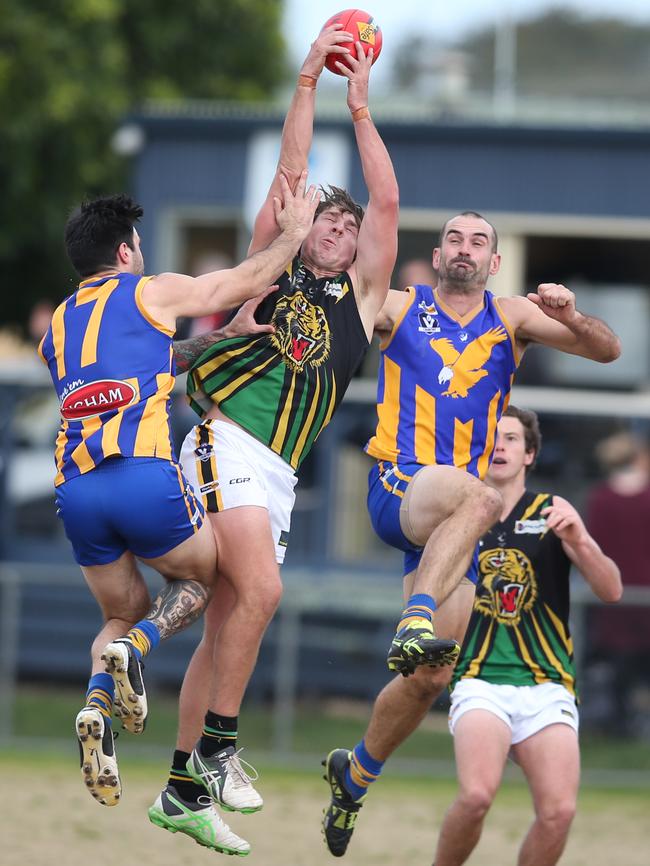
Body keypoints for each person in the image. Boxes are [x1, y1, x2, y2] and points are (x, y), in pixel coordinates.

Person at [146, 24, 400, 854]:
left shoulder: (361, 304)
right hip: (225, 441)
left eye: (345, 226)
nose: (335, 227)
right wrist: (306, 81)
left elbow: (388, 205)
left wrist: (362, 111)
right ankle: (220, 745)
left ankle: (182, 787)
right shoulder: (278, 261)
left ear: (359, 247)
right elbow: (293, 175)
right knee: (263, 596)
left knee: (227, 626)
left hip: (277, 472)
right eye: (326, 219)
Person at [321, 210, 621, 857]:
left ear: (495, 262)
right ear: (436, 256)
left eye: (478, 241)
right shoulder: (403, 308)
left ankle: (357, 773)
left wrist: (568, 314)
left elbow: (606, 349)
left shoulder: (512, 318)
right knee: (478, 498)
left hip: (459, 524)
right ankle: (416, 617)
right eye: (454, 239)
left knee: (431, 676)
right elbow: (340, 301)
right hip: (406, 488)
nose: (465, 248)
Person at [37, 183, 318, 830]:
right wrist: (293, 233)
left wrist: (218, 342)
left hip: (76, 490)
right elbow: (243, 278)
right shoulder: (148, 289)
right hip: (141, 474)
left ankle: (97, 706)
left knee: (119, 607)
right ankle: (137, 648)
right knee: (202, 578)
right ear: (126, 249)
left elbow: (146, 365)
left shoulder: (58, 323)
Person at [433, 405, 621, 866]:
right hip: (480, 679)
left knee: (559, 812)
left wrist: (580, 540)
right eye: (493, 437)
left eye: (512, 438)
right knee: (477, 796)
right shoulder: (457, 514)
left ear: (530, 454)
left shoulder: (552, 512)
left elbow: (612, 589)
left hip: (546, 683)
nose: (500, 445)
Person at [584, 431, 650, 734]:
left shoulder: (600, 498)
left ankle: (619, 722)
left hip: (611, 595)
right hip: (641, 595)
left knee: (618, 666)